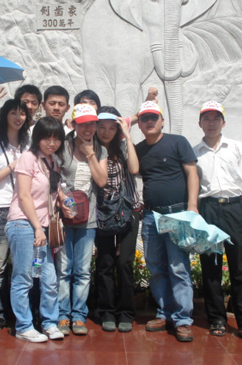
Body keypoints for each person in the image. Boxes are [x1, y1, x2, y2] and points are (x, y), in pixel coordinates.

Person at [193, 101, 242, 345]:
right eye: (206, 118)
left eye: (216, 118)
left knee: (240, 270)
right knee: (211, 269)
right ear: (200, 123)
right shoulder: (195, 152)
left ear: (223, 122)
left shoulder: (237, 148)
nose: (211, 123)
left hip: (234, 209)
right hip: (208, 210)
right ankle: (216, 319)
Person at [135, 100, 199, 342]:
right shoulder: (139, 149)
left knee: (178, 268)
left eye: (154, 117)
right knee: (156, 269)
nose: (149, 122)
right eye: (144, 118)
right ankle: (164, 313)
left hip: (177, 214)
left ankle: (183, 320)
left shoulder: (177, 142)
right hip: (151, 216)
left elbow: (192, 172)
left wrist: (192, 206)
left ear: (162, 120)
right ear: (139, 124)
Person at [5, 116, 66, 342]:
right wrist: (37, 228)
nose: (52, 143)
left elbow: (54, 192)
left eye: (56, 139)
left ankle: (49, 322)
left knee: (47, 277)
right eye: (47, 138)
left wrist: (66, 203)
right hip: (23, 225)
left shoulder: (52, 161)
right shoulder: (27, 158)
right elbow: (24, 196)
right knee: (23, 278)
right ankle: (23, 326)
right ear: (37, 138)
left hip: (43, 228)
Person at [56, 104, 108, 336]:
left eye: (92, 124)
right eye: (83, 124)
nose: (88, 128)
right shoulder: (63, 146)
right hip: (64, 217)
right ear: (74, 124)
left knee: (83, 270)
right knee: (63, 269)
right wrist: (62, 201)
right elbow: (53, 177)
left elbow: (101, 180)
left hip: (88, 219)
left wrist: (90, 154)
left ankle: (78, 316)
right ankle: (62, 314)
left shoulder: (100, 150)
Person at [0, 99, 31, 331]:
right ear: (4, 116)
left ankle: (23, 312)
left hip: (24, 208)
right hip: (0, 207)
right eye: (13, 113)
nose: (18, 117)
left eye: (22, 114)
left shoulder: (29, 143)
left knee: (25, 264)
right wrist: (14, 165)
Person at [94, 106, 142, 333]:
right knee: (104, 263)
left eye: (111, 128)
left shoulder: (124, 146)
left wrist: (128, 136)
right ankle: (106, 311)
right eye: (102, 127)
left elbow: (134, 169)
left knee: (124, 263)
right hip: (102, 213)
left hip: (128, 211)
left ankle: (125, 312)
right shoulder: (92, 149)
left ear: (118, 129)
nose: (106, 132)